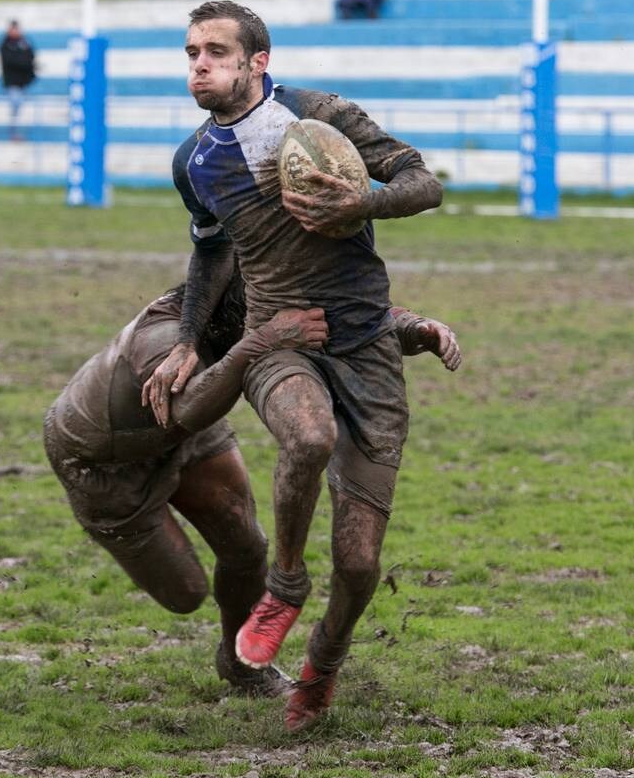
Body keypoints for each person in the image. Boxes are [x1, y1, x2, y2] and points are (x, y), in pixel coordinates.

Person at [142, 1, 446, 732]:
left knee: (361, 562)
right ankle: (283, 585)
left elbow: (424, 181)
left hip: (366, 342)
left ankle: (322, 669)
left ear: (259, 62)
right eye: (191, 53)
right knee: (306, 438)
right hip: (279, 338)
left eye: (216, 51)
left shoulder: (320, 117)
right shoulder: (195, 162)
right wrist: (188, 339)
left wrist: (367, 197)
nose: (199, 66)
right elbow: (212, 250)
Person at [47, 267, 460, 698]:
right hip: (101, 460)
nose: (284, 313)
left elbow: (340, 319)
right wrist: (262, 342)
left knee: (246, 546)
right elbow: (185, 407)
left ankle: (241, 666)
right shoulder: (163, 334)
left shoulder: (245, 313)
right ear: (238, 303)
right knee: (186, 594)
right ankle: (119, 529)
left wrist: (414, 328)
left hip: (185, 437)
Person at [0, 19, 36, 141]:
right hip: (12, 83)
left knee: (21, 109)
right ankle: (14, 134)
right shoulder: (5, 44)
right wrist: (23, 60)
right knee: (15, 106)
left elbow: (31, 56)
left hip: (24, 83)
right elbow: (12, 61)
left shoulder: (24, 42)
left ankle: (18, 133)